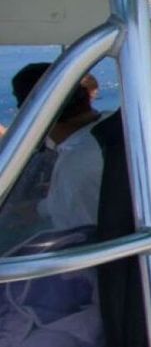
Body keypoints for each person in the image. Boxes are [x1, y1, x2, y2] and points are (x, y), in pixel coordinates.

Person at [9, 63, 109, 232]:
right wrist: (38, 208)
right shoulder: (113, 124)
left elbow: (80, 239)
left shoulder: (75, 166)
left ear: (31, 113)